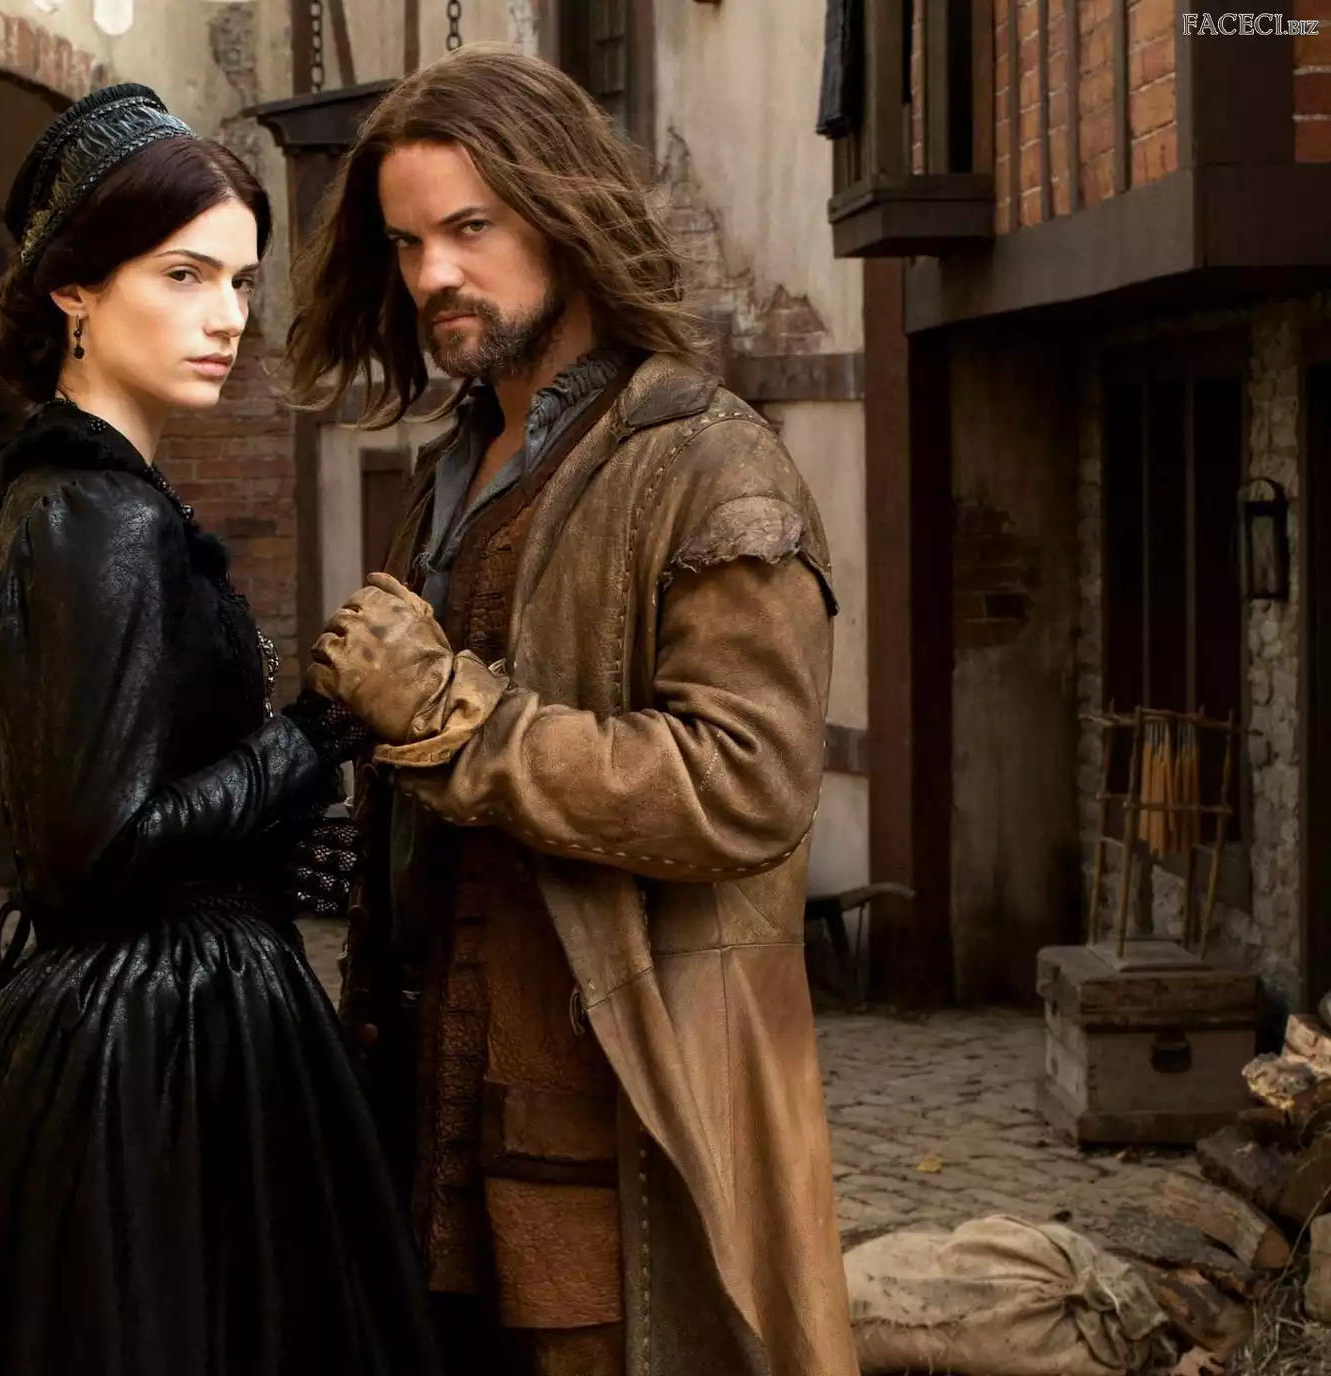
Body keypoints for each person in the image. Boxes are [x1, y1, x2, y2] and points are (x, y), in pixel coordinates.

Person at [0, 85, 442, 1376]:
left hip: (158, 1013)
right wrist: (316, 735)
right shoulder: (100, 518)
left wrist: (280, 806)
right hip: (160, 1041)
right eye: (183, 274)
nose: (228, 317)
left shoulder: (86, 494)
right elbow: (95, 850)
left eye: (240, 280)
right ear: (75, 289)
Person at [284, 44, 861, 1376]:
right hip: (424, 1105)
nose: (434, 274)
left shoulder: (709, 465)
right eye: (408, 242)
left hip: (615, 1118)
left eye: (471, 228)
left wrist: (457, 717)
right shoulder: (451, 471)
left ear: (565, 213)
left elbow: (748, 785)